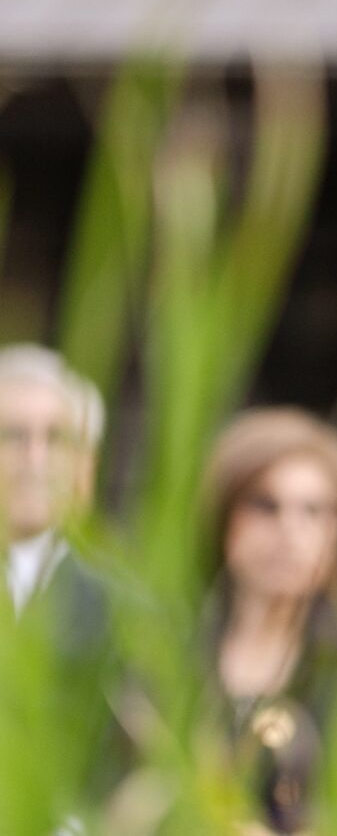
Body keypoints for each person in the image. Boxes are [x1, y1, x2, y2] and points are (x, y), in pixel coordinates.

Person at [204, 407, 337, 833]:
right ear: (222, 518)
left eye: (314, 511)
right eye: (265, 505)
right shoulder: (163, 655)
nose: (289, 530)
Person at [0, 345, 115, 812]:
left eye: (58, 438)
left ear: (88, 464)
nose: (36, 459)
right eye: (12, 436)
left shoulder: (136, 616)